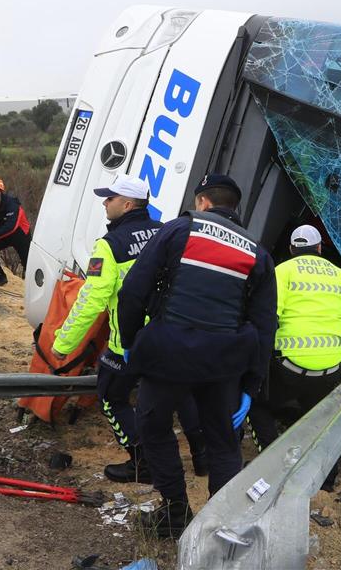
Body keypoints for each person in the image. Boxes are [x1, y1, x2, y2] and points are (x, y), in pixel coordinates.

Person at [117, 173, 277, 538]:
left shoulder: (177, 230)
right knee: (223, 442)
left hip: (167, 356)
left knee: (154, 427)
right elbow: (265, 326)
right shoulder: (258, 252)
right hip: (223, 365)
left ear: (203, 201)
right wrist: (251, 385)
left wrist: (130, 342)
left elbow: (133, 292)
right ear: (234, 208)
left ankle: (174, 513)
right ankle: (219, 528)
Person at [51, 176, 206, 484]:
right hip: (172, 333)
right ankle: (202, 458)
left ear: (128, 204)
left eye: (110, 198)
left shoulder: (109, 245)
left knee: (111, 396)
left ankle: (143, 460)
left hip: (129, 341)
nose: (105, 203)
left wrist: (63, 343)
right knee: (182, 391)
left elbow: (92, 299)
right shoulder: (167, 231)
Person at [245, 224, 341, 459]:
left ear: (291, 249)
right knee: (320, 418)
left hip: (289, 365)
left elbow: (268, 321)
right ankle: (326, 478)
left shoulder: (281, 272)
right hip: (330, 367)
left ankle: (269, 459)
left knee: (256, 405)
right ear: (319, 248)